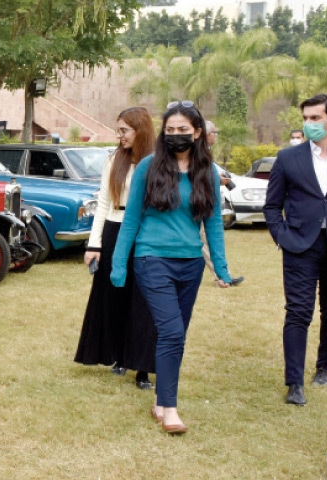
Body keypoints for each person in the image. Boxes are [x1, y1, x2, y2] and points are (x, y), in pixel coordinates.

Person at [111, 101, 231, 434]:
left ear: (197, 133)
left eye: (183, 130)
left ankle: (161, 401)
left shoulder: (206, 170)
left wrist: (220, 269)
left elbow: (214, 224)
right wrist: (119, 265)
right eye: (170, 130)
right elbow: (132, 218)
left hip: (190, 264)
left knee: (176, 337)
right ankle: (171, 410)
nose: (176, 135)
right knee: (172, 332)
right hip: (152, 260)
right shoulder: (149, 167)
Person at [74, 107, 157, 390]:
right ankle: (120, 357)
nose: (119, 136)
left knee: (144, 302)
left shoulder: (158, 162)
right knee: (115, 298)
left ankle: (143, 368)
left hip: (145, 235)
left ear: (140, 130)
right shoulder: (114, 160)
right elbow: (104, 204)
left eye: (124, 130)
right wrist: (94, 244)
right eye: (118, 130)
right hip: (114, 230)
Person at [264, 93, 327, 406]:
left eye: (315, 118)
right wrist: (282, 236)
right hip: (299, 246)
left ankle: (324, 367)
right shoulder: (288, 158)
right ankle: (294, 383)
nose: (309, 125)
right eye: (305, 119)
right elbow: (271, 205)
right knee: (297, 313)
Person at [202, 120, 244, 286]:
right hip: (202, 204)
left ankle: (222, 273)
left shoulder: (206, 151)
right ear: (207, 135)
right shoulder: (196, 153)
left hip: (208, 201)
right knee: (205, 239)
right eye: (214, 132)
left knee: (205, 241)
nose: (216, 136)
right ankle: (222, 274)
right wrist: (215, 180)